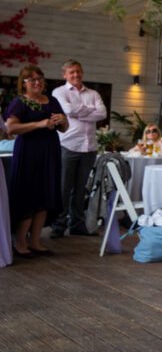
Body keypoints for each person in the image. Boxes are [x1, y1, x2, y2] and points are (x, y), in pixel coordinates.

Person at [3, 65, 68, 258]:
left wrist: (63, 120)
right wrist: (39, 124)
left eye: (40, 78)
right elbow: (10, 129)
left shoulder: (52, 100)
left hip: (50, 152)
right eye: (32, 80)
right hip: (28, 153)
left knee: (45, 195)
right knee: (28, 196)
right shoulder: (19, 102)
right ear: (24, 84)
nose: (37, 82)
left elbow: (64, 128)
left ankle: (36, 241)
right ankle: (20, 242)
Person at [51, 59, 107, 238]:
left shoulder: (93, 93)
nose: (76, 75)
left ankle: (77, 225)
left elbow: (102, 113)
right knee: (63, 188)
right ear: (65, 75)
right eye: (72, 72)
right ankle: (58, 225)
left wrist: (78, 112)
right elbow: (67, 110)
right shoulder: (58, 92)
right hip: (68, 145)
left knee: (81, 188)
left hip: (89, 147)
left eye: (78, 71)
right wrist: (88, 111)